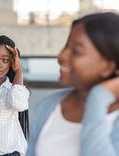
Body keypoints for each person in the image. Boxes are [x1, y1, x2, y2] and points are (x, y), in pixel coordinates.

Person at [26, 12, 119, 156]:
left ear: (108, 66)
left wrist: (98, 98)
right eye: (66, 46)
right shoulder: (48, 106)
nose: (61, 57)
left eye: (76, 50)